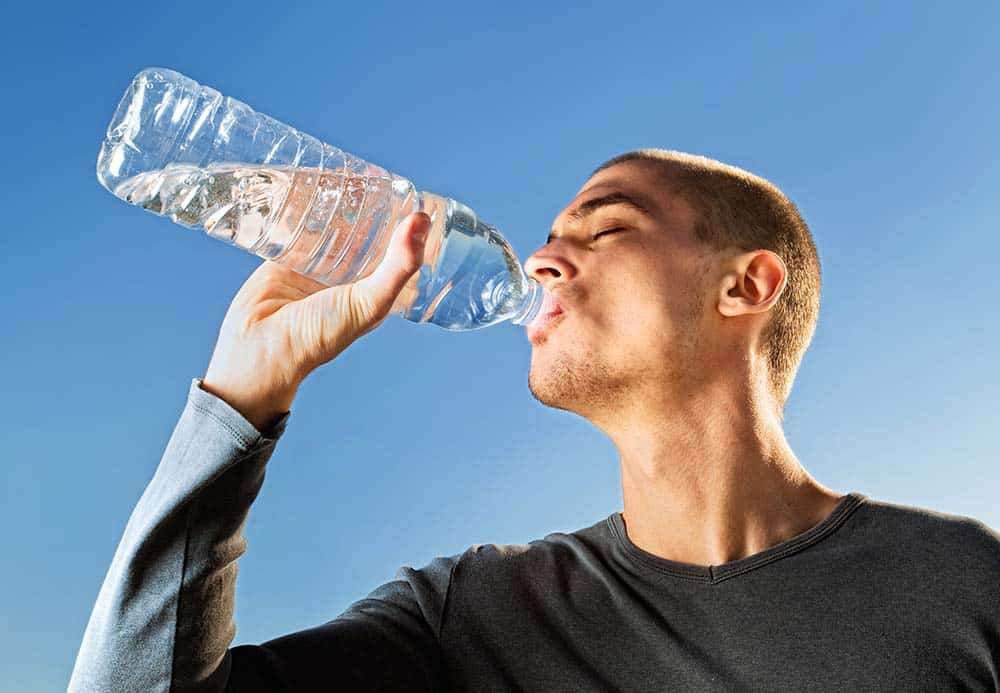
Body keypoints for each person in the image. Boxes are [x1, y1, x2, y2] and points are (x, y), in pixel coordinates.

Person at [69, 150, 999, 692]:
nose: (545, 259)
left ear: (745, 285)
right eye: (550, 238)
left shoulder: (962, 585)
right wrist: (238, 400)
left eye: (605, 228)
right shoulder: (477, 617)